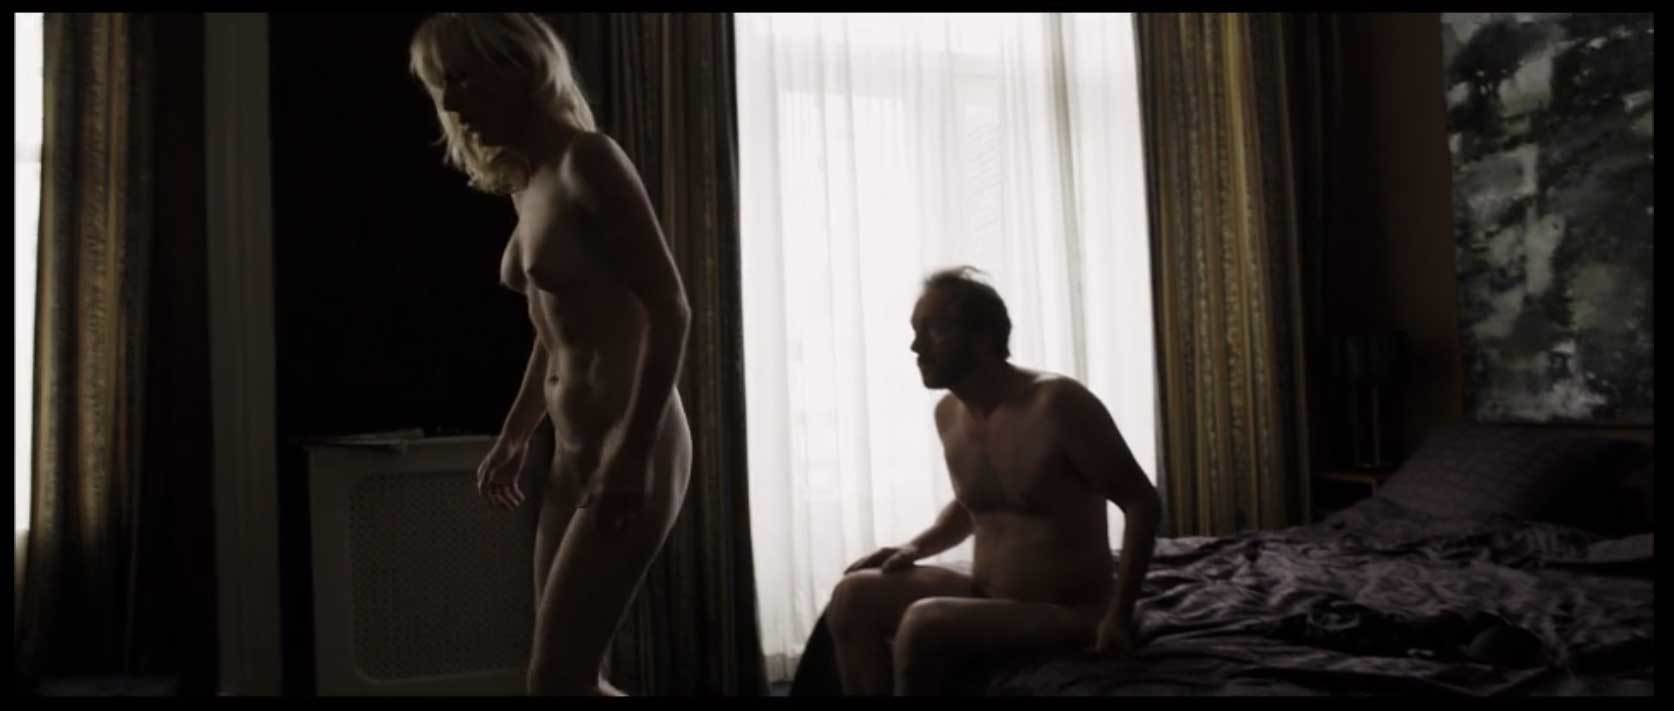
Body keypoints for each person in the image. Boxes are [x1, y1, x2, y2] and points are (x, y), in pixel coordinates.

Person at [408, 13, 693, 696]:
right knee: (569, 676)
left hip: (634, 443)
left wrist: (631, 452)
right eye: (442, 85)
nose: (450, 101)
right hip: (571, 452)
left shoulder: (590, 160)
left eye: (463, 78)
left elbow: (672, 309)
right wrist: (515, 434)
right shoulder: (524, 179)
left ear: (521, 66)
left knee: (555, 678)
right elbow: (554, 326)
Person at [826, 267, 1162, 696]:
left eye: (934, 331)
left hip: (1070, 609)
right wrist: (916, 547)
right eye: (915, 331)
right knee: (851, 597)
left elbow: (1141, 501)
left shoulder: (1057, 404)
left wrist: (1119, 613)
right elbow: (977, 501)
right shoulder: (949, 414)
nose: (916, 347)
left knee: (925, 622)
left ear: (982, 339)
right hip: (986, 593)